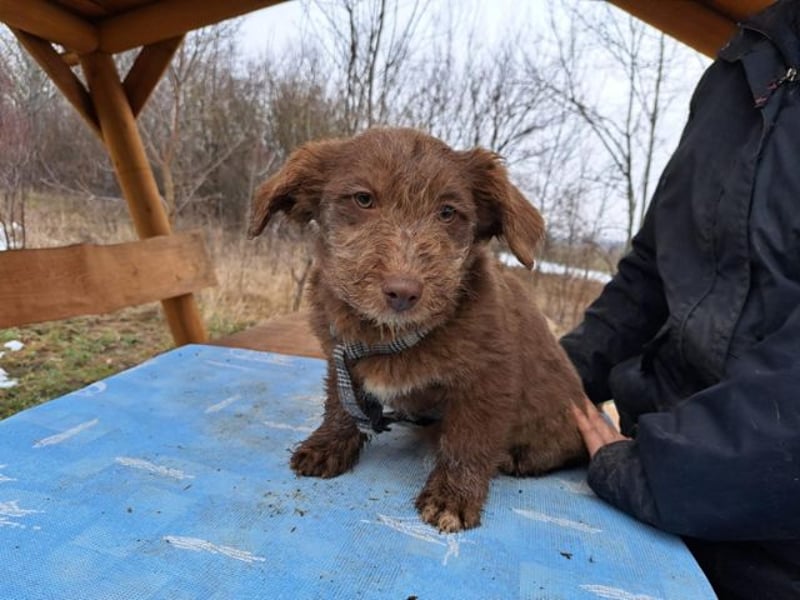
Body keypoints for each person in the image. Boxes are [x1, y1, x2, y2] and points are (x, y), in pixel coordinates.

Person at [560, 1, 800, 598]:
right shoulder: (742, 63)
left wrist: (662, 471)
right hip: (654, 465)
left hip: (770, 535)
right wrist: (547, 385)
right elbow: (654, 268)